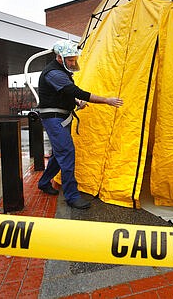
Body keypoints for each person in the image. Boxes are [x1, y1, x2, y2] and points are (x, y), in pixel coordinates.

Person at [37, 39, 123, 209]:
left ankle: (44, 182)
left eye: (74, 59)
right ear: (59, 58)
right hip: (54, 118)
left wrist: (76, 102)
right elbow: (75, 91)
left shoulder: (61, 71)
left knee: (59, 154)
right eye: (70, 59)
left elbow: (65, 93)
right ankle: (72, 196)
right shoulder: (54, 73)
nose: (73, 62)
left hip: (61, 118)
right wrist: (106, 100)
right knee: (67, 153)